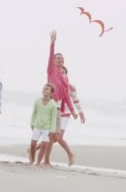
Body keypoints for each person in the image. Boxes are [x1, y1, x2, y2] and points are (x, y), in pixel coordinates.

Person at [33, 65, 85, 166]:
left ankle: (70, 154)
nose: (61, 74)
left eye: (64, 72)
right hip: (54, 113)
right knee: (52, 137)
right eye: (59, 72)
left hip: (65, 113)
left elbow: (75, 100)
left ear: (66, 75)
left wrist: (80, 112)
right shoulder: (53, 86)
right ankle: (43, 158)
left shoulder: (70, 86)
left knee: (58, 138)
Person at [43, 30, 78, 166]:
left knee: (53, 136)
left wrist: (73, 111)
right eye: (57, 58)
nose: (59, 60)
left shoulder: (64, 78)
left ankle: (45, 160)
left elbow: (66, 96)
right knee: (49, 134)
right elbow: (50, 58)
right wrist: (52, 43)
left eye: (61, 59)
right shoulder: (51, 71)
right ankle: (41, 158)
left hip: (57, 108)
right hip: (49, 105)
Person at [29, 83, 57, 167]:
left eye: (47, 89)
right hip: (37, 126)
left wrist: (52, 130)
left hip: (47, 128)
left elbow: (53, 119)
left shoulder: (53, 105)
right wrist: (32, 123)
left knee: (44, 145)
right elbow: (34, 113)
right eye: (44, 88)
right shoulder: (37, 101)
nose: (45, 90)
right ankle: (32, 159)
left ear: (51, 93)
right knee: (33, 144)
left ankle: (38, 162)